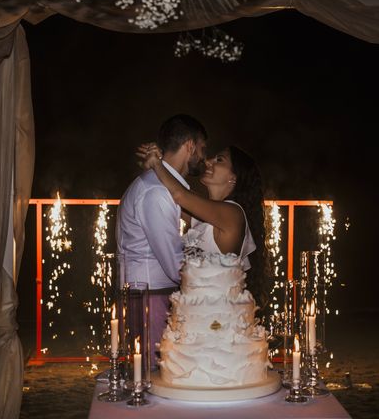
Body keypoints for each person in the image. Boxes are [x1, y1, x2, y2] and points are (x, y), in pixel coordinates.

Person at [115, 114, 207, 367]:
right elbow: (175, 264)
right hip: (149, 296)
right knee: (153, 374)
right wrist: (212, 286)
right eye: (202, 149)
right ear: (189, 146)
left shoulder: (160, 186)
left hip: (150, 293)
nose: (204, 157)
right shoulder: (156, 192)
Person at [137, 143, 272, 313]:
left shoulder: (233, 214)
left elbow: (179, 195)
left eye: (219, 160)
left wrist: (157, 164)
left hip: (217, 318)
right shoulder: (205, 217)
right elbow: (172, 194)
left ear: (233, 177)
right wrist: (156, 163)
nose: (208, 161)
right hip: (194, 314)